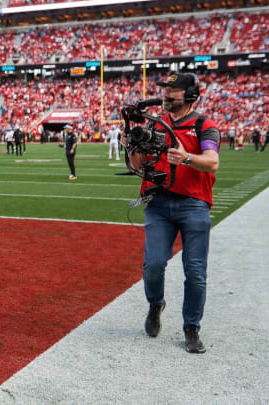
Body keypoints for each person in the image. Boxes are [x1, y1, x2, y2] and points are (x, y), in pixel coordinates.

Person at [123, 72, 220, 354]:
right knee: (153, 263)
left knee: (195, 272)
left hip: (194, 203)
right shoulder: (155, 124)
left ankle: (191, 327)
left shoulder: (204, 125)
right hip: (158, 202)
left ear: (190, 95)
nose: (166, 94)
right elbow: (135, 164)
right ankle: (156, 304)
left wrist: (187, 158)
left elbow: (212, 162)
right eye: (165, 89)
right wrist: (133, 143)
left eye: (174, 90)